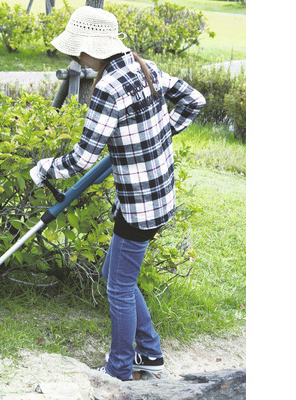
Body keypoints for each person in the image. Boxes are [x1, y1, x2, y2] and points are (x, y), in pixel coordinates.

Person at [29, 6, 205, 381]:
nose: (75, 57)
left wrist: (44, 168)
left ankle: (120, 369)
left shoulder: (107, 87)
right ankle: (151, 354)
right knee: (115, 272)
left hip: (139, 205)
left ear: (90, 49)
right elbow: (194, 100)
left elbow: (81, 160)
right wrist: (161, 134)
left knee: (119, 287)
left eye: (77, 50)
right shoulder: (146, 67)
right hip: (160, 195)